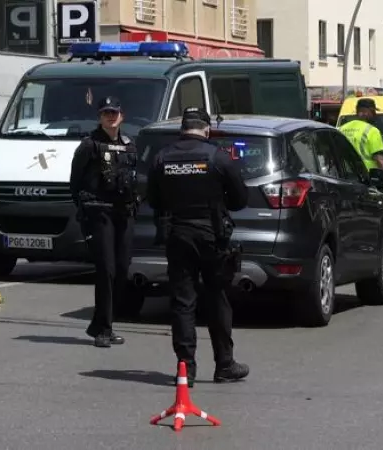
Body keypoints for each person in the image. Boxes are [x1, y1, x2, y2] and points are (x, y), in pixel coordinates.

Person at [147, 107, 250, 387]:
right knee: (217, 297)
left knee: (183, 302)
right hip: (211, 236)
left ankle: (185, 369)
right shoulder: (217, 157)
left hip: (178, 235)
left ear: (182, 129)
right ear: (205, 129)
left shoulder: (162, 158)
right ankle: (225, 365)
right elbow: (241, 199)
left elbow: (152, 198)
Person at [69, 96, 139, 347]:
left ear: (122, 115)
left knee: (122, 269)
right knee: (106, 270)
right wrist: (85, 207)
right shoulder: (89, 145)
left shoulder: (130, 144)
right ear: (99, 116)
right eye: (106, 113)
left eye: (114, 112)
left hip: (124, 213)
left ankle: (101, 323)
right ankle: (103, 329)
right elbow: (75, 182)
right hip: (99, 213)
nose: (111, 116)